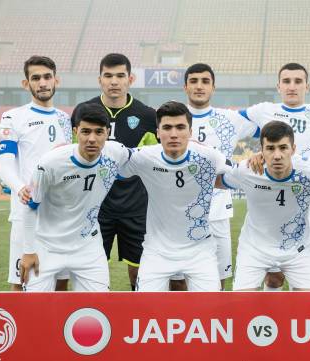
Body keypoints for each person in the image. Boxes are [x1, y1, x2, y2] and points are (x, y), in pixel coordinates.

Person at [239, 62, 310, 290]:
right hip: (276, 207)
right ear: (278, 86)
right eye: (286, 81)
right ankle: (271, 321)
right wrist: (258, 152)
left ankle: (299, 321)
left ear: (307, 86)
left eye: (298, 81)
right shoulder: (264, 110)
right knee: (273, 277)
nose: (292, 86)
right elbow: (231, 121)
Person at [119, 102, 230, 291]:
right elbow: (111, 165)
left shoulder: (209, 156)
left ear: (190, 131)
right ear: (157, 132)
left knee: (209, 310)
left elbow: (238, 176)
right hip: (157, 251)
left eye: (180, 127)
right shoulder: (144, 157)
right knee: (145, 311)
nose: (173, 134)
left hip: (199, 251)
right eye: (167, 127)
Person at [19, 104, 132, 291]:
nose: (92, 139)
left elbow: (146, 158)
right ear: (75, 131)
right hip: (47, 247)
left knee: (97, 309)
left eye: (99, 132)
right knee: (35, 311)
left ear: (108, 132)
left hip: (88, 248)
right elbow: (31, 205)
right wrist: (28, 251)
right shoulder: (50, 163)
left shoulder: (116, 153)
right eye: (85, 132)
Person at [72, 53, 157, 291]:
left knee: (140, 272)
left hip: (136, 207)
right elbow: (73, 156)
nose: (114, 81)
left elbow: (154, 164)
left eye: (120, 75)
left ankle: (140, 316)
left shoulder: (148, 116)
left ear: (130, 78)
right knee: (92, 272)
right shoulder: (83, 111)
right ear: (100, 79)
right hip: (95, 207)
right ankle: (97, 318)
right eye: (108, 76)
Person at [168, 63, 258, 290]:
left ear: (213, 87)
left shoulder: (230, 119)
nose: (199, 86)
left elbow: (272, 127)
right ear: (185, 87)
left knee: (219, 280)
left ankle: (211, 323)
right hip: (178, 213)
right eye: (194, 81)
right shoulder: (168, 119)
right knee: (178, 282)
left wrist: (260, 154)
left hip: (217, 212)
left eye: (205, 81)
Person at [218, 121, 310, 291]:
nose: (277, 155)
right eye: (270, 148)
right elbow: (216, 181)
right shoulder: (248, 170)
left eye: (283, 148)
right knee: (241, 306)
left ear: (293, 149)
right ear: (261, 151)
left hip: (297, 251)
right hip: (254, 249)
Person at [0, 55, 72, 291]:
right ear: (26, 83)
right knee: (22, 280)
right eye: (36, 78)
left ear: (56, 81)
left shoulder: (64, 119)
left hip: (59, 214)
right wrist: (21, 189)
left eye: (47, 77)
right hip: (26, 212)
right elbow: (6, 165)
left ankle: (55, 329)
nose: (42, 83)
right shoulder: (12, 117)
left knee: (61, 281)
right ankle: (20, 328)